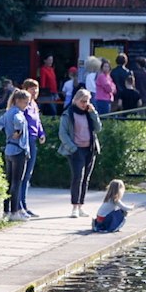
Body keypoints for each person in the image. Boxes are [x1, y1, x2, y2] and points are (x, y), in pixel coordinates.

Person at [60, 88, 103, 218]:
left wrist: (93, 113)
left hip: (90, 148)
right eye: (82, 101)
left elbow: (98, 128)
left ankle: (81, 206)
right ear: (76, 100)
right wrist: (72, 148)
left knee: (86, 179)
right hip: (76, 149)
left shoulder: (89, 113)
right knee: (77, 177)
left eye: (87, 101)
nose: (85, 104)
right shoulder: (68, 114)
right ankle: (74, 206)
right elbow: (63, 133)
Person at [0, 91, 35, 219]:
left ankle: (5, 211)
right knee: (17, 182)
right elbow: (18, 121)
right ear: (18, 101)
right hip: (19, 150)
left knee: (8, 182)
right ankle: (15, 212)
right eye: (25, 103)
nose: (27, 105)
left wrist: (7, 131)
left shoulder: (8, 112)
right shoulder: (18, 113)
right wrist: (18, 131)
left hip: (9, 149)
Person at [19, 80, 46, 214]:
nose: (35, 91)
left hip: (33, 140)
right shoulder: (23, 106)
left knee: (28, 174)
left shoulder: (34, 104)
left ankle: (24, 205)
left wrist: (41, 133)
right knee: (22, 174)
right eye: (32, 89)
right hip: (25, 140)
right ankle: (19, 205)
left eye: (36, 88)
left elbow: (37, 121)